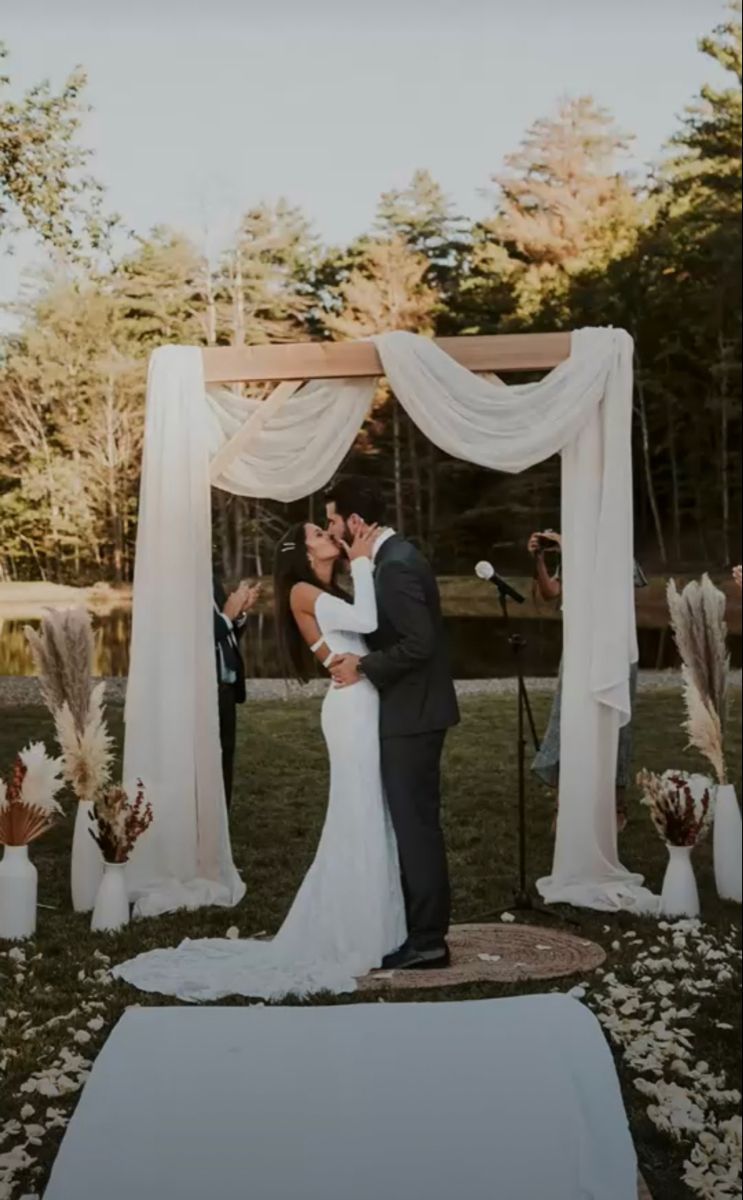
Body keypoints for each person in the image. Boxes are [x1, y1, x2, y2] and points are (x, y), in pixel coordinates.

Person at [113, 521, 406, 1001]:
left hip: (362, 702)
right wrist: (362, 559)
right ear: (303, 552)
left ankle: (376, 922)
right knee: (358, 813)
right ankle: (352, 928)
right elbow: (368, 622)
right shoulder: (305, 591)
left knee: (370, 810)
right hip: (351, 710)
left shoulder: (324, 589)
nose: (328, 533)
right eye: (317, 533)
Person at [326, 477, 459, 971]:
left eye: (333, 521)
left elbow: (420, 644)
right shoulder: (391, 559)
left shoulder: (395, 567)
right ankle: (418, 928)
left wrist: (363, 666)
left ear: (355, 523)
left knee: (415, 826)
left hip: (414, 715)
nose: (329, 529)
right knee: (413, 822)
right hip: (413, 711)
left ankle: (428, 941)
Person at [527, 529, 640, 832]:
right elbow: (552, 591)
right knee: (568, 719)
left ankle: (616, 804)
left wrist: (568, 546)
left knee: (615, 722)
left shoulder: (617, 552)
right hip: (578, 646)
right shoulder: (576, 555)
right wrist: (539, 559)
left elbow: (614, 592)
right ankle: (565, 805)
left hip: (614, 649)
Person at [212, 575, 261, 809]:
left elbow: (225, 631)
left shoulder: (210, 578)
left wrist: (240, 612)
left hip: (226, 689)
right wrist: (227, 616)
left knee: (224, 757)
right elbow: (198, 632)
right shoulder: (177, 584)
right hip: (205, 690)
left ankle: (222, 823)